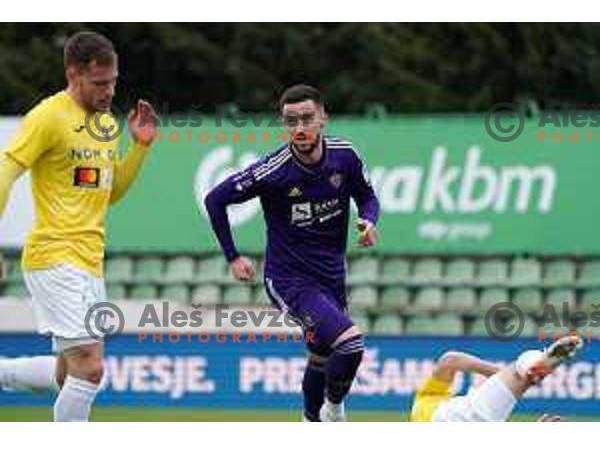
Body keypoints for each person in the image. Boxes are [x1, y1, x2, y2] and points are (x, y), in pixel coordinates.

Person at [0, 31, 158, 421]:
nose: (109, 91)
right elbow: (6, 169)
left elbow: (110, 191)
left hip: (90, 262)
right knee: (91, 368)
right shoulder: (48, 116)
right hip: (54, 256)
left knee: (70, 373)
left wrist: (139, 147)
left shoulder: (105, 123)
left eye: (113, 82)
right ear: (73, 73)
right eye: (100, 83)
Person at [202, 84, 380, 421]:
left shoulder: (346, 156)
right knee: (351, 343)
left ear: (323, 118)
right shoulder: (273, 170)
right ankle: (333, 413)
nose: (299, 128)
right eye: (290, 121)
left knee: (321, 356)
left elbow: (368, 197)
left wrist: (368, 220)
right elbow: (215, 199)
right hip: (289, 280)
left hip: (332, 277)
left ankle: (310, 420)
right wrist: (232, 256)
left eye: (307, 119)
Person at [410, 335, 583, 422]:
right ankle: (530, 367)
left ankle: (529, 371)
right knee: (522, 365)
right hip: (453, 415)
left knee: (523, 374)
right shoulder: (425, 400)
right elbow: (451, 360)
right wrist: (501, 373)